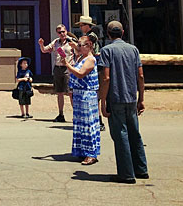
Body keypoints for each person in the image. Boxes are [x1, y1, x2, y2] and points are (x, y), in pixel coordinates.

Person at [98, 20, 149, 184]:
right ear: (123, 33)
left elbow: (106, 78)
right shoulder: (133, 50)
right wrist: (141, 98)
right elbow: (140, 76)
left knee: (121, 136)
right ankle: (141, 169)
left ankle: (126, 173)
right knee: (135, 134)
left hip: (116, 97)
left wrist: (103, 100)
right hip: (131, 97)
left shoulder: (107, 51)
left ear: (108, 34)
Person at [63, 35, 101, 166]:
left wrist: (67, 64)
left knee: (88, 124)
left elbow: (80, 74)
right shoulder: (82, 57)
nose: (78, 47)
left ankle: (91, 154)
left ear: (89, 45)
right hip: (79, 94)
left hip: (87, 95)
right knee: (80, 124)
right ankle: (82, 151)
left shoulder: (90, 59)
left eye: (81, 45)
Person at [72, 16, 105, 131]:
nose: (80, 27)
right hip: (91, 64)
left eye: (82, 25)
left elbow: (85, 46)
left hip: (94, 64)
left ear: (88, 25)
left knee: (95, 94)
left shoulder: (91, 36)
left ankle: (99, 120)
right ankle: (96, 120)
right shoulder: (89, 36)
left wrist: (75, 45)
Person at [38, 24, 74, 122]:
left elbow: (79, 51)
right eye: (59, 32)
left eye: (63, 31)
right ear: (57, 33)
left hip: (68, 68)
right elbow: (45, 50)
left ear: (66, 31)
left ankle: (76, 115)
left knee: (71, 93)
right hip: (58, 68)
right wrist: (41, 44)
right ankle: (61, 114)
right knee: (60, 92)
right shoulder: (56, 42)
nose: (62, 34)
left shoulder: (71, 41)